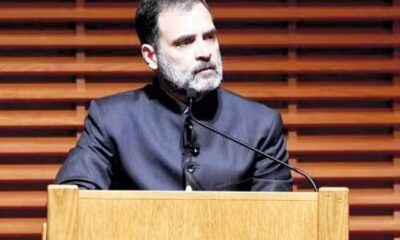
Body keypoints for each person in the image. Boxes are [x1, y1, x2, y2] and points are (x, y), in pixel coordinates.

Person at [55, 0, 293, 191]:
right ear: (151, 56)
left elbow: (276, 220)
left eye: (209, 37)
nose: (205, 52)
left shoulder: (261, 125)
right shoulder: (112, 120)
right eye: (185, 42)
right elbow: (72, 199)